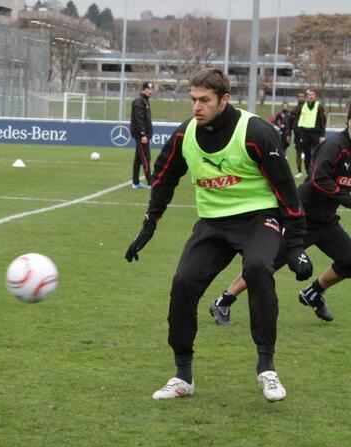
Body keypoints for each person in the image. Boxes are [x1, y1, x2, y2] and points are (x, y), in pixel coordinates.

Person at [124, 68, 312, 403]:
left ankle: (267, 369)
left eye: (204, 100)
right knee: (183, 283)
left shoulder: (255, 131)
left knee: (257, 268)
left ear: (224, 99)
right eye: (193, 99)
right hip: (212, 223)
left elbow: (286, 188)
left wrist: (295, 243)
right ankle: (182, 376)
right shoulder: (186, 135)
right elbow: (164, 178)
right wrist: (149, 224)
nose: (197, 106)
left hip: (258, 218)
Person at [210, 102, 351, 325]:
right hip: (300, 218)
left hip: (327, 222)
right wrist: (346, 198)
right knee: (267, 264)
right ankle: (223, 301)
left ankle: (313, 293)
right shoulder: (335, 146)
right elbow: (318, 178)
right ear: (348, 121)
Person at [293, 89, 327, 179]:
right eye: (309, 95)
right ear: (307, 96)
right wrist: (298, 131)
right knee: (307, 154)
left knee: (316, 153)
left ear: (315, 96)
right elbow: (294, 116)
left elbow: (323, 121)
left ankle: (316, 171)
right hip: (305, 133)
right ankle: (308, 173)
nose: (311, 96)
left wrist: (322, 135)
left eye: (312, 94)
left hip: (316, 133)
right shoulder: (302, 106)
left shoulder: (319, 106)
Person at [130, 81, 155, 189]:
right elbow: (139, 119)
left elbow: (146, 120)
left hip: (144, 135)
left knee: (138, 159)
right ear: (143, 89)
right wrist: (143, 134)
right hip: (141, 136)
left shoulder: (145, 100)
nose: (150, 91)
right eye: (148, 89)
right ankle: (150, 182)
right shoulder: (139, 101)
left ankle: (135, 182)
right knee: (146, 157)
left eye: (151, 89)